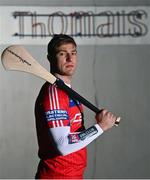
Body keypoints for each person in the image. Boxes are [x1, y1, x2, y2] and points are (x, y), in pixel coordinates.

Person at [35, 34, 118, 179]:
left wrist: (98, 123)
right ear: (50, 58)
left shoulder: (67, 91)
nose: (70, 58)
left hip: (72, 175)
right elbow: (63, 145)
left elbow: (73, 134)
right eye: (62, 53)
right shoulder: (55, 93)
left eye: (73, 53)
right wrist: (100, 127)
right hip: (57, 176)